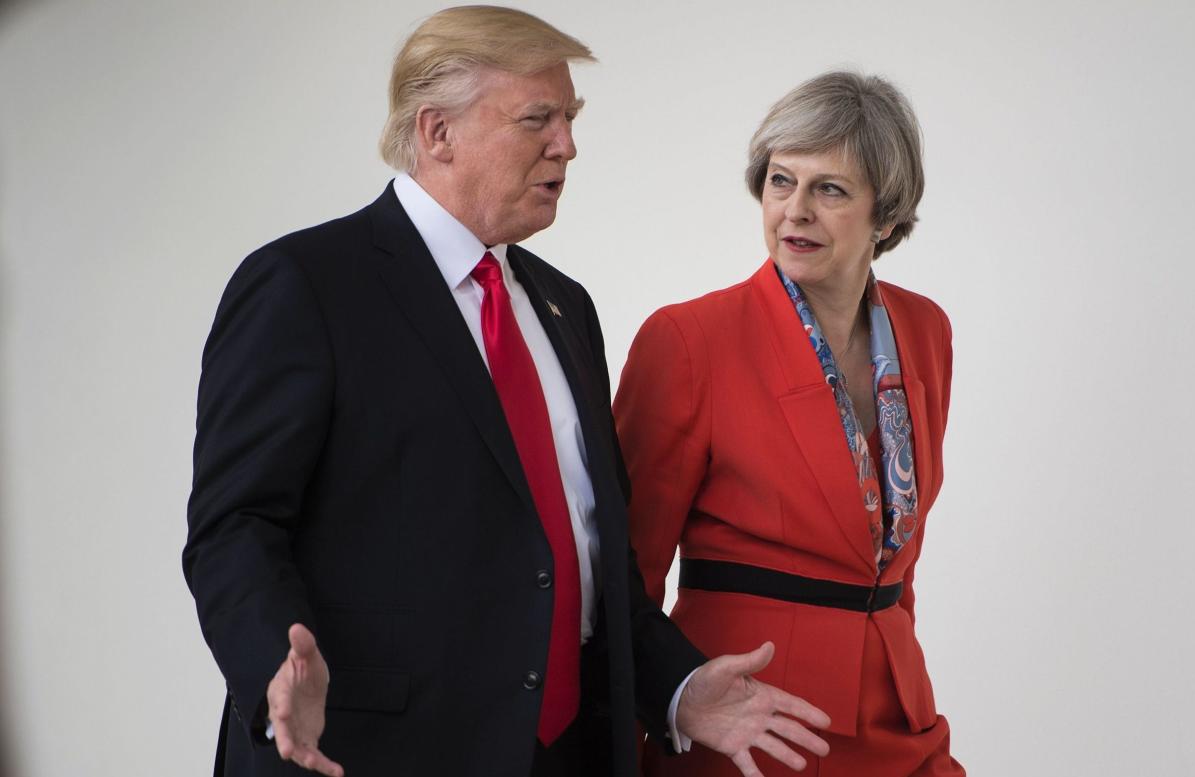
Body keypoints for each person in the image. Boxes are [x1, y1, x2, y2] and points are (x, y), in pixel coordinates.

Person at [184, 6, 831, 777]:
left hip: (564, 754)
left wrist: (677, 685)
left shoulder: (565, 306)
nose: (567, 144)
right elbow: (235, 523)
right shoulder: (306, 284)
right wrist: (271, 661)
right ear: (436, 133)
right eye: (538, 119)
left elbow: (591, 563)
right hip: (372, 752)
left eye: (569, 117)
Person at [614, 71, 966, 776]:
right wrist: (626, 746)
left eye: (829, 189)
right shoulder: (688, 339)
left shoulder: (924, 329)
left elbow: (896, 548)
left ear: (887, 216)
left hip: (900, 716)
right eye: (780, 181)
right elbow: (624, 580)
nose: (794, 210)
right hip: (747, 721)